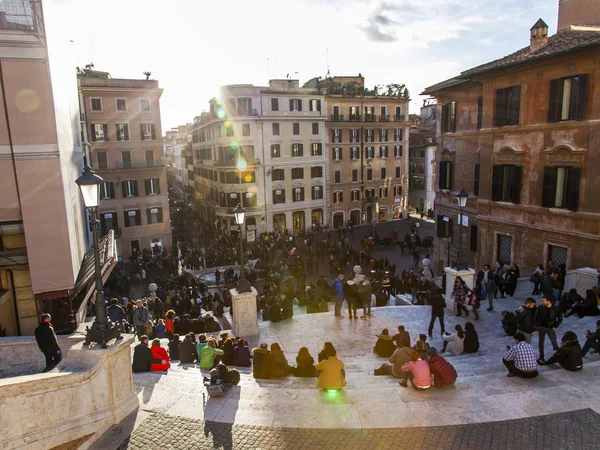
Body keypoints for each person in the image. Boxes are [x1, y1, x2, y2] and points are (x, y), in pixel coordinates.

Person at [535, 296, 562, 365]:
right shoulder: (540, 307)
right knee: (541, 342)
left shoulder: (556, 309)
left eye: (543, 301)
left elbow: (560, 319)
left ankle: (559, 356)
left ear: (549, 301)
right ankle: (541, 357)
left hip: (550, 328)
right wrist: (536, 325)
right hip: (541, 327)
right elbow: (536, 316)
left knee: (554, 341)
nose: (542, 302)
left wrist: (555, 326)